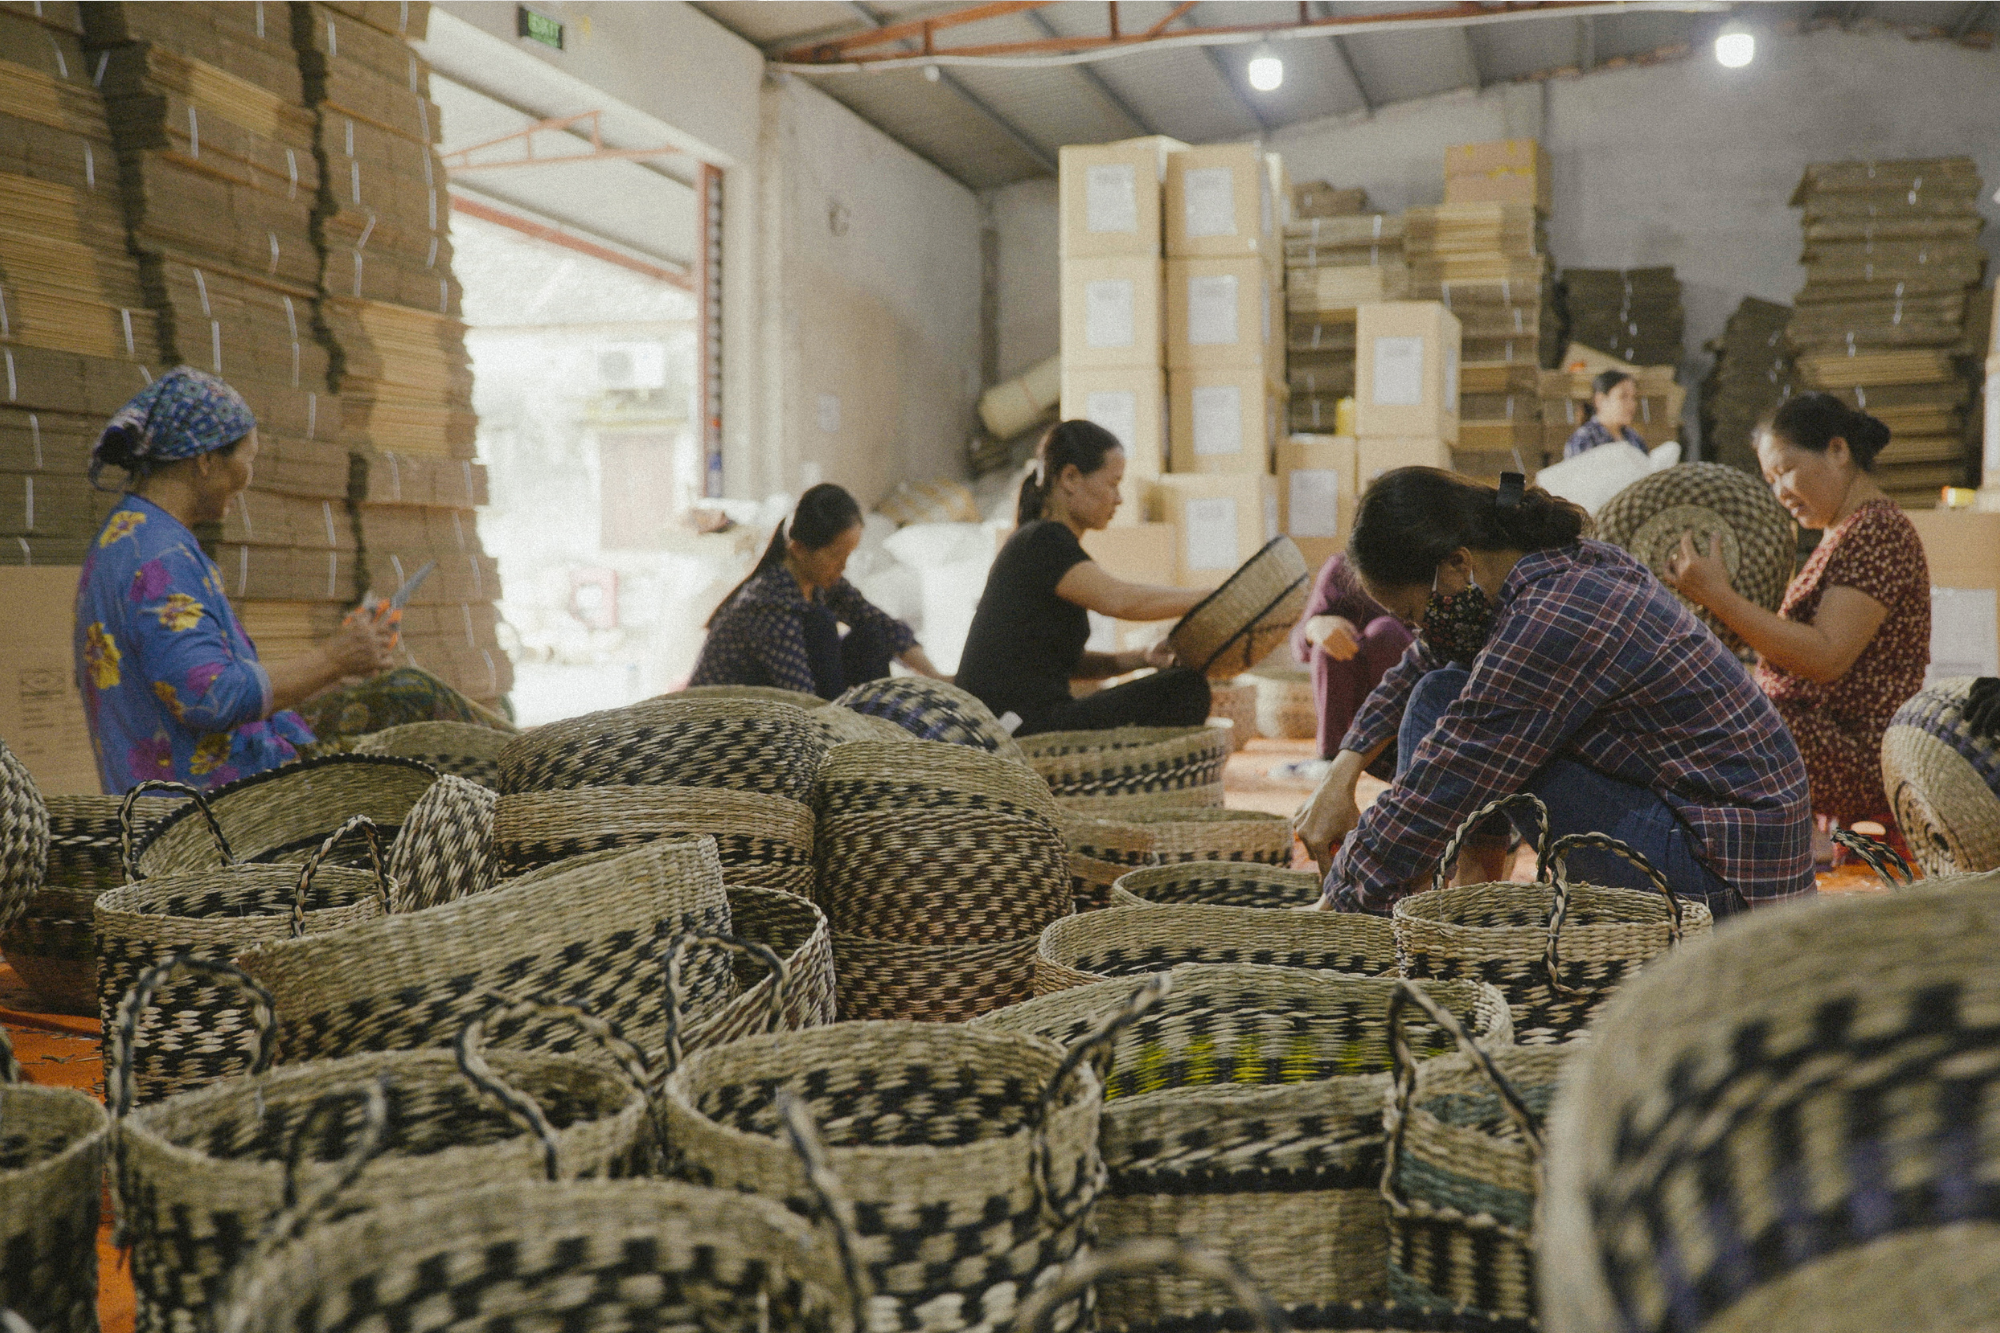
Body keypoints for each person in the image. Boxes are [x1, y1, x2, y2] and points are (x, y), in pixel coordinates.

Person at [1293, 467, 1814, 917]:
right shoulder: (1555, 564)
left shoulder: (1558, 613)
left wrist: (1345, 894)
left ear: (1456, 563)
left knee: (1460, 735)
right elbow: (1420, 665)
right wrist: (1341, 775)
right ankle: (1468, 904)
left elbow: (1454, 766)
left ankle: (1424, 911)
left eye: (1415, 613)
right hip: (1720, 837)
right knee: (1440, 688)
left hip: (1724, 874)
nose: (1421, 630)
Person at [76, 367, 400, 794]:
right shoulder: (158, 557)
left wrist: (336, 669)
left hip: (211, 790)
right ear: (206, 461)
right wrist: (331, 659)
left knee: (397, 700)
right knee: (412, 698)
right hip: (211, 814)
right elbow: (210, 697)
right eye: (248, 460)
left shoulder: (138, 536)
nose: (249, 479)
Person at [1665, 393, 1929, 859]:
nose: (1779, 491)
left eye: (1785, 469)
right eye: (1769, 480)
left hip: (1858, 751)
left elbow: (1826, 657)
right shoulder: (1842, 533)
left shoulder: (1877, 531)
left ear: (1838, 451)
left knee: (1730, 714)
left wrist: (1719, 598)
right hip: (1822, 737)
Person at [956, 421, 1213, 735]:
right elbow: (1121, 600)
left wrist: (1141, 658)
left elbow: (1061, 664)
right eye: (1112, 484)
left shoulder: (1042, 541)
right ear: (1070, 478)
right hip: (1012, 728)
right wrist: (1212, 598)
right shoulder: (1043, 540)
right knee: (1185, 688)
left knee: (1177, 682)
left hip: (1026, 717)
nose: (1118, 498)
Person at [690, 483, 944, 698]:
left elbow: (883, 625)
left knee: (871, 636)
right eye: (835, 556)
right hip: (732, 724)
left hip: (791, 704)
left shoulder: (821, 584)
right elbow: (802, 696)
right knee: (821, 624)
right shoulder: (766, 604)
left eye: (847, 556)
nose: (842, 566)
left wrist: (936, 678)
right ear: (799, 549)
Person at [1284, 552, 1412, 780]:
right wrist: (1314, 627)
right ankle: (1331, 757)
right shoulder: (1342, 567)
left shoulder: (1432, 567)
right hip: (1352, 710)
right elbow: (1299, 646)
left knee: (1385, 632)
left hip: (1411, 708)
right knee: (1329, 643)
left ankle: (1398, 750)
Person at [1563, 370, 1648, 459]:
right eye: (1623, 396)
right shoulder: (1583, 439)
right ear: (1600, 400)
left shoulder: (1633, 438)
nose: (1632, 404)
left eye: (1633, 397)